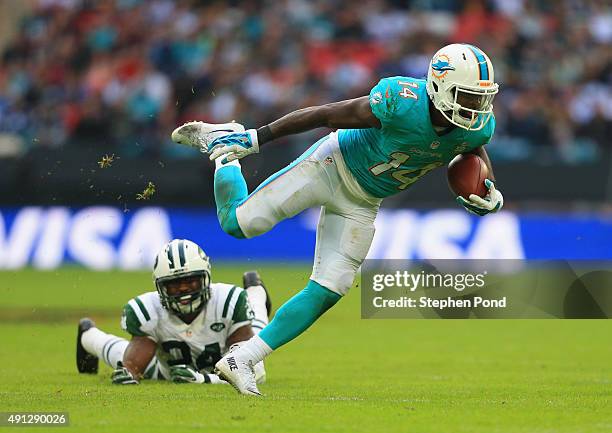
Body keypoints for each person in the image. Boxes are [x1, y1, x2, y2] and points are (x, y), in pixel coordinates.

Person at [171, 43, 504, 395]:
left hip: (364, 201)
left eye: (480, 99)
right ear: (438, 87)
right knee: (239, 224)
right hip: (330, 165)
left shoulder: (477, 126)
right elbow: (326, 114)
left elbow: (473, 150)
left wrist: (487, 190)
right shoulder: (401, 100)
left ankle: (243, 359)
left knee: (331, 287)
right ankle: (224, 151)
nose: (475, 108)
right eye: (466, 97)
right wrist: (256, 138)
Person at [76, 239, 271, 385]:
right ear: (160, 287)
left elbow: (251, 371)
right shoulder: (148, 309)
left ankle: (255, 290)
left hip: (216, 365)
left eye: (190, 281)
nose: (183, 289)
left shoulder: (228, 300)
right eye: (174, 284)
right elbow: (134, 367)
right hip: (169, 370)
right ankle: (87, 335)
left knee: (258, 333)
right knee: (123, 359)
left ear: (206, 278)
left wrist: (204, 380)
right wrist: (130, 373)